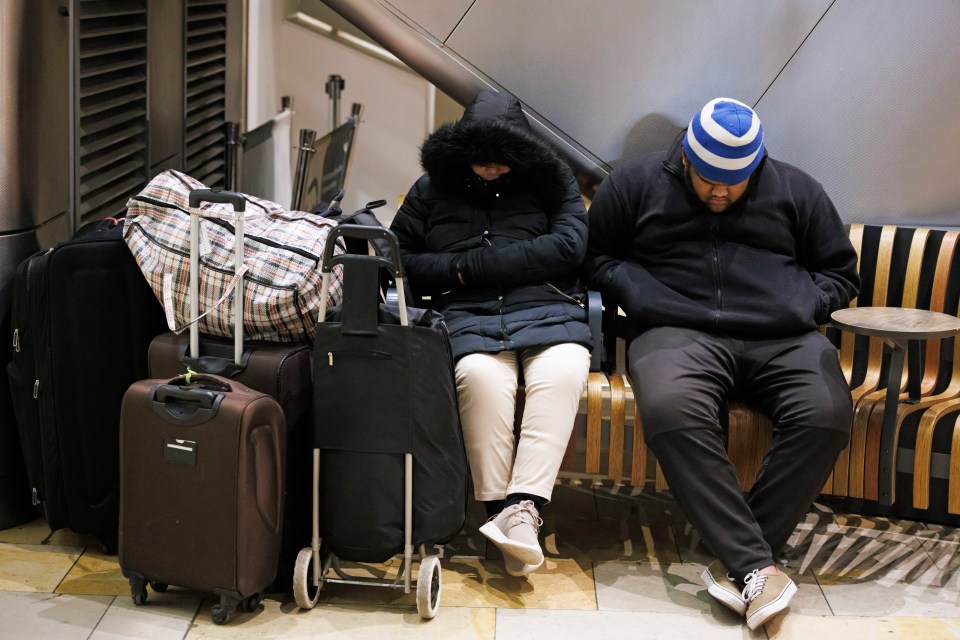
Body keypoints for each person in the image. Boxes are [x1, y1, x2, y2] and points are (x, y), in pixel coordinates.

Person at [583, 97, 860, 629]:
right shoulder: (634, 184)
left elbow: (840, 273)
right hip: (675, 329)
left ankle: (743, 562)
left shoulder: (797, 189)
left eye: (733, 181)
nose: (718, 190)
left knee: (825, 413)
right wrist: (641, 294)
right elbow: (597, 258)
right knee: (671, 410)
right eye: (708, 177)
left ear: (756, 165)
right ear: (686, 154)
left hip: (782, 336)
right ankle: (757, 564)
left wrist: (800, 303)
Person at [390, 89, 593, 577]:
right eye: (482, 162)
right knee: (481, 381)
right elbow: (397, 256)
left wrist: (466, 266)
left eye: (503, 163)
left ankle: (522, 509)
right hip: (467, 315)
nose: (492, 171)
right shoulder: (430, 188)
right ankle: (499, 514)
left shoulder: (551, 179)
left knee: (564, 372)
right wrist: (464, 274)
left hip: (548, 310)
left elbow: (570, 246)